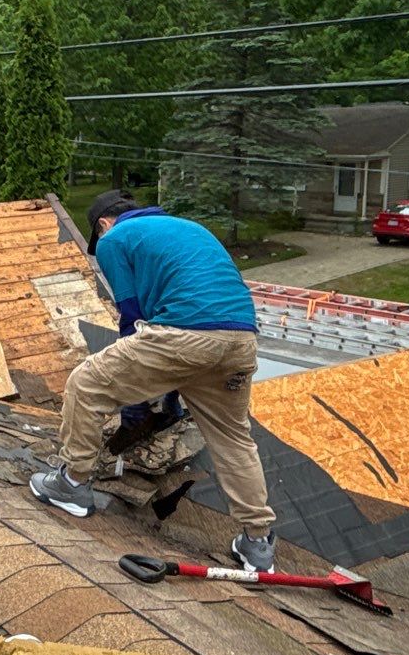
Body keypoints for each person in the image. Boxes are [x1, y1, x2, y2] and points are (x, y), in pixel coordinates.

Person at [30, 190, 279, 572]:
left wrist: (136, 397)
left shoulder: (114, 239)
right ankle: (257, 541)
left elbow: (132, 317)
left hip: (186, 334)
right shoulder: (186, 228)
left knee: (86, 383)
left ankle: (72, 483)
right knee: (232, 437)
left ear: (102, 224)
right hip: (241, 340)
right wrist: (170, 388)